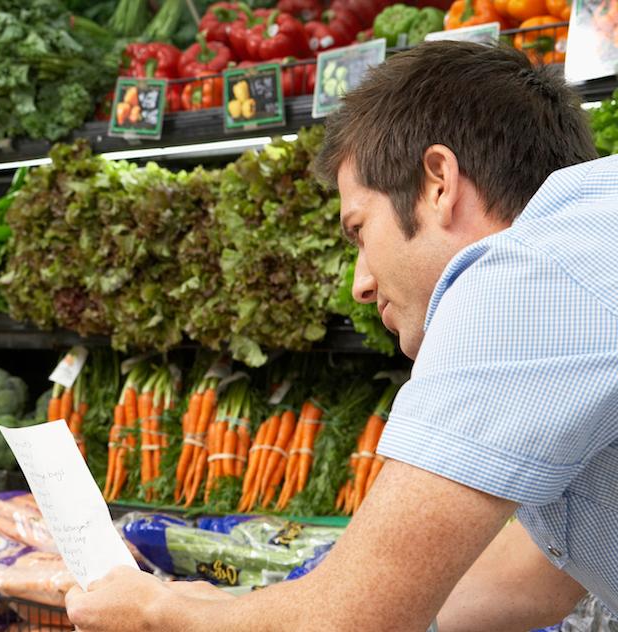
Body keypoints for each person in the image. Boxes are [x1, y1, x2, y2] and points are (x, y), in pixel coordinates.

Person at [66, 41, 617, 631]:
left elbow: (348, 624)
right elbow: (535, 577)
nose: (360, 283)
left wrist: (153, 611)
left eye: (359, 230)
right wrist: (227, 608)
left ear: (438, 182)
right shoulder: (582, 249)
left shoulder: (529, 279)